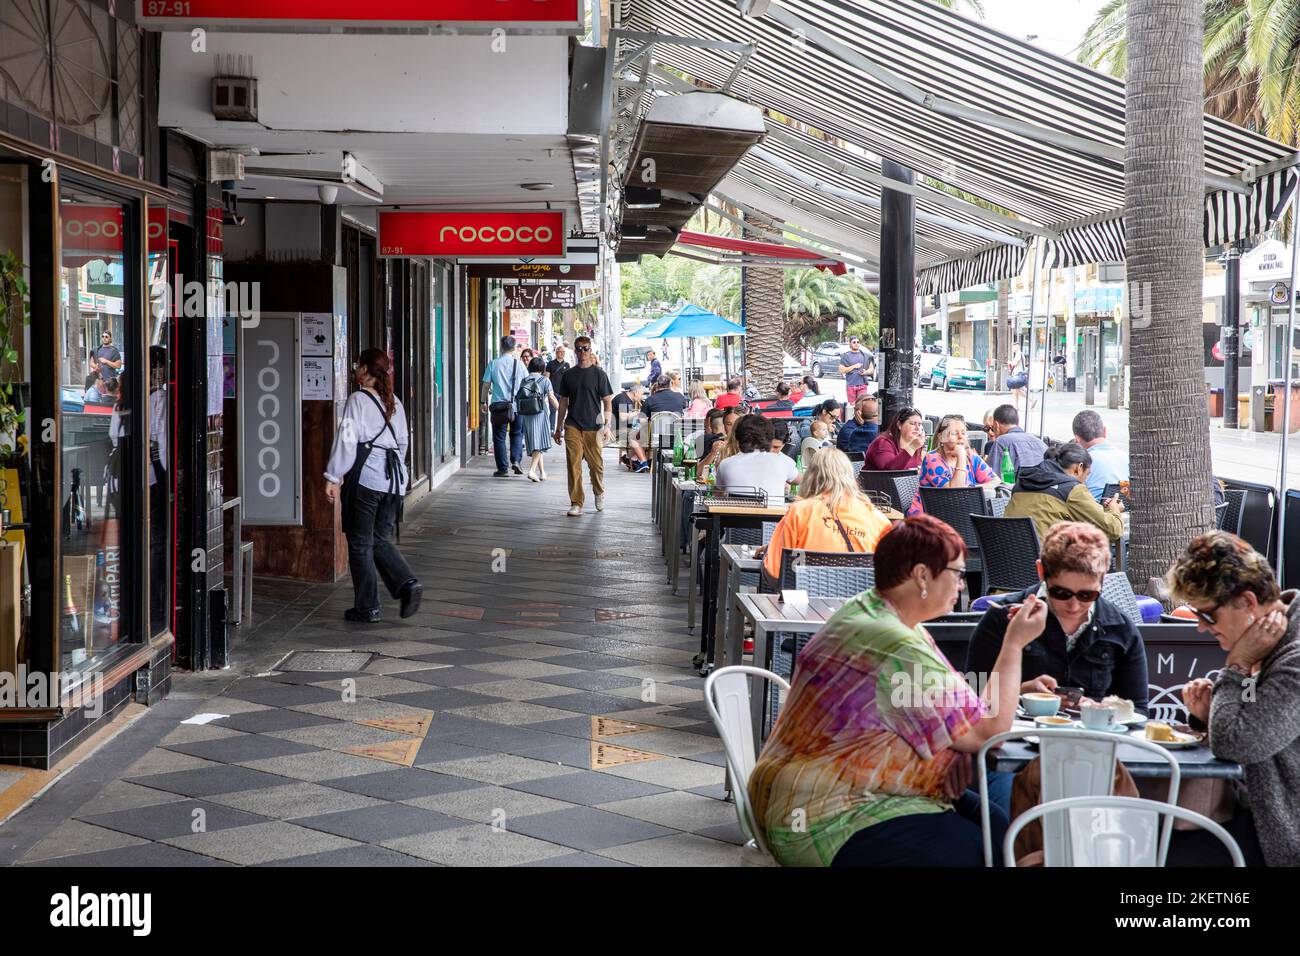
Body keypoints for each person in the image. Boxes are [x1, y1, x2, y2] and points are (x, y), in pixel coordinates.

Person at [749, 514, 1047, 867]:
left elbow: (947, 707)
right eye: (957, 574)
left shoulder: (874, 611)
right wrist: (1014, 644)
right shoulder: (893, 640)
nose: (962, 586)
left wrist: (955, 750)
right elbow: (987, 731)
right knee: (987, 850)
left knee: (999, 827)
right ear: (922, 575)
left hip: (827, 794)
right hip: (824, 816)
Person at [1167, 531, 1300, 866]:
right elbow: (1252, 709)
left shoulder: (1293, 656)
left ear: (1248, 602)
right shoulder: (1273, 640)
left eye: (1207, 615)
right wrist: (1212, 713)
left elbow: (1235, 743)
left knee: (1158, 854)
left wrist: (1237, 666)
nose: (1200, 627)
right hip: (1264, 817)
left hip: (1284, 834)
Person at [966, 521, 1148, 708]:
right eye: (1061, 593)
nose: (1074, 606)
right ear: (1041, 572)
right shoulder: (1001, 618)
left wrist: (1095, 709)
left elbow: (1139, 711)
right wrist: (1021, 692)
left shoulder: (1120, 628)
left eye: (1087, 595)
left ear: (1103, 580)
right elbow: (970, 701)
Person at [324, 349, 420, 624]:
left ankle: (367, 607)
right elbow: (403, 442)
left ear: (365, 370)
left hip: (367, 480)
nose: (355, 370)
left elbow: (347, 439)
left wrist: (333, 476)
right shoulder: (395, 402)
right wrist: (394, 472)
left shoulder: (358, 399)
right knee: (378, 539)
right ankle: (407, 583)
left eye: (357, 365)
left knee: (360, 542)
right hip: (394, 481)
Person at [759, 447, 892, 582]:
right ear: (850, 476)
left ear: (811, 476)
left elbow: (775, 571)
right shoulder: (878, 520)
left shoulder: (799, 512)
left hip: (806, 597)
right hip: (858, 599)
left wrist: (768, 554)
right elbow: (890, 575)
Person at [1005, 442, 1124, 543]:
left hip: (1006, 562)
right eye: (1087, 474)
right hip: (1048, 565)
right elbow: (1113, 530)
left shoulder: (1021, 483)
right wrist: (1114, 509)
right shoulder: (1072, 490)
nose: (1085, 481)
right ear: (1079, 468)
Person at [554, 335, 614, 516]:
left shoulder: (599, 374)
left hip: (593, 427)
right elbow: (563, 402)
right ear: (574, 350)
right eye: (579, 348)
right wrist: (558, 427)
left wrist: (607, 425)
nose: (582, 352)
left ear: (591, 350)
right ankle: (576, 502)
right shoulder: (569, 375)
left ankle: (599, 490)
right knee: (573, 465)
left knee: (596, 465)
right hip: (572, 425)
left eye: (585, 348)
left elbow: (607, 402)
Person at [914, 415, 1000, 515]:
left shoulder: (971, 457)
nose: (960, 436)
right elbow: (955, 493)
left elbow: (995, 481)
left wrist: (970, 488)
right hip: (930, 518)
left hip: (961, 514)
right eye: (954, 433)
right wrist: (961, 456)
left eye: (963, 433)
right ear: (941, 437)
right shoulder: (932, 459)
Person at [715, 414, 797, 503]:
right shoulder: (784, 462)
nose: (773, 450)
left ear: (737, 437)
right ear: (767, 437)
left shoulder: (725, 464)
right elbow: (804, 481)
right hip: (774, 516)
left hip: (733, 516)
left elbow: (718, 494)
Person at [481, 335, 529, 478]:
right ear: (514, 348)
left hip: (499, 406)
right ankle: (516, 460)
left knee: (499, 437)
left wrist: (482, 402)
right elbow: (526, 383)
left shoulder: (493, 364)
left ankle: (502, 468)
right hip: (517, 406)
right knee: (516, 434)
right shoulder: (519, 364)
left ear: (501, 347)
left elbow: (486, 385)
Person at [1071, 409, 1128, 503]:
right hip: (1124, 509)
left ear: (1077, 439)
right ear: (1105, 431)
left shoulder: (1080, 463)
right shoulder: (1126, 457)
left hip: (1095, 513)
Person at [518, 357, 559, 482]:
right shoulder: (545, 380)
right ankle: (532, 470)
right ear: (542, 368)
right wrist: (561, 410)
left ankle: (542, 472)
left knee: (536, 441)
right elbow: (551, 397)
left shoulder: (524, 380)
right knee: (539, 443)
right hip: (540, 413)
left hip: (526, 414)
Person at [985, 403, 1047, 477]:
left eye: (992, 428)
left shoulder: (1002, 441)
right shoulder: (1040, 443)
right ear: (1017, 423)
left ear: (996, 425)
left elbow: (991, 477)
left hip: (1017, 488)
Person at [865, 407, 926, 471]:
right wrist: (912, 447)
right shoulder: (883, 443)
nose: (917, 428)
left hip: (910, 480)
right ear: (899, 425)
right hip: (879, 480)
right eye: (913, 424)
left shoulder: (918, 446)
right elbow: (890, 470)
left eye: (919, 424)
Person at [838, 335, 874, 403]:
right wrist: (854, 366)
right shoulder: (846, 356)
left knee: (862, 407)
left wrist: (865, 372)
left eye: (858, 342)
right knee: (852, 407)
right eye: (854, 342)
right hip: (851, 386)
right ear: (850, 344)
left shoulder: (865, 355)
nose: (856, 343)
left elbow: (871, 369)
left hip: (862, 385)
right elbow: (841, 370)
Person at [545, 344, 570, 433]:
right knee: (552, 411)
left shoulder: (567, 365)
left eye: (563, 352)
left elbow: (568, 379)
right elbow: (546, 378)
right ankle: (551, 429)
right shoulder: (550, 364)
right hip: (552, 391)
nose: (562, 353)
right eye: (560, 351)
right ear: (556, 353)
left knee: (562, 411)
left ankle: (561, 429)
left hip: (563, 392)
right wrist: (548, 390)